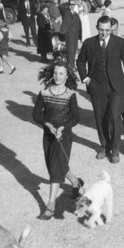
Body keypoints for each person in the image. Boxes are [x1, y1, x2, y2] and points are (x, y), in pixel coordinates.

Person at [76, 16, 124, 163]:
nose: (104, 33)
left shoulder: (119, 42)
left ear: (111, 29)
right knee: (100, 118)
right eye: (101, 30)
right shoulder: (89, 43)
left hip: (116, 87)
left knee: (115, 116)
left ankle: (115, 149)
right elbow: (80, 61)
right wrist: (85, 79)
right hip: (97, 87)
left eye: (107, 30)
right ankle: (104, 146)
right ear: (97, 28)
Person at [33, 60, 83, 220]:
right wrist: (46, 124)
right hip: (48, 135)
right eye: (55, 73)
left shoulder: (70, 94)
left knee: (55, 169)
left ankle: (50, 206)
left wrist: (62, 127)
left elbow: (76, 118)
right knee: (56, 165)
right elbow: (36, 114)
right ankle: (76, 183)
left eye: (61, 73)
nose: (57, 76)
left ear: (67, 75)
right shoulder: (45, 92)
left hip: (64, 136)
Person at [59, 0, 82, 70]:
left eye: (73, 5)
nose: (72, 6)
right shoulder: (66, 12)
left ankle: (72, 65)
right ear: (68, 5)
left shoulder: (75, 13)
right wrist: (68, 2)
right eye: (71, 5)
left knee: (74, 51)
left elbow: (79, 24)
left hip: (75, 34)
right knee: (70, 50)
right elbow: (60, 6)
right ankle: (70, 66)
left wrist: (79, 35)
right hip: (69, 35)